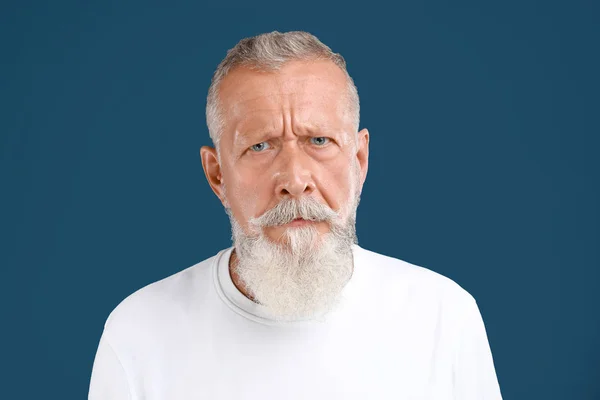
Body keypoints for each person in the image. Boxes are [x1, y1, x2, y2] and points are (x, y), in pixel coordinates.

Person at [88, 30, 503, 399]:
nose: (295, 179)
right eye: (260, 146)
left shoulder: (442, 317)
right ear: (217, 175)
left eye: (318, 140)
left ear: (359, 160)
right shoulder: (139, 335)